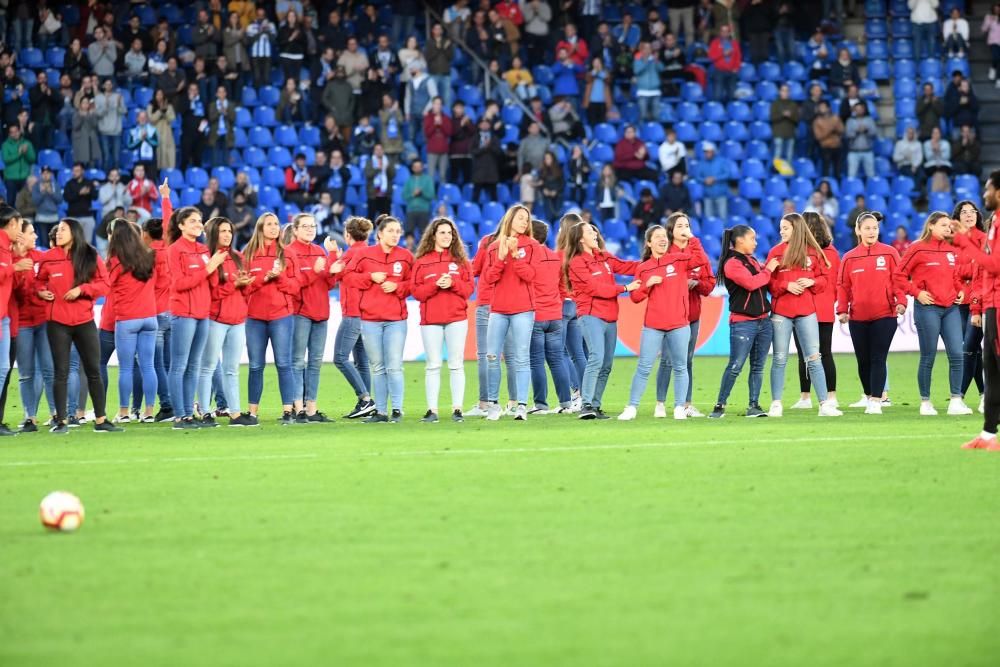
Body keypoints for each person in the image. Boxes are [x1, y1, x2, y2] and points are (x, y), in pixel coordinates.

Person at [35, 217, 122, 434]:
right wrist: (40, 291)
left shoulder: (90, 254)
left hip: (84, 321)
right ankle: (61, 421)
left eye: (63, 229)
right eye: (58, 230)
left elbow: (105, 285)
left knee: (93, 370)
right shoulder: (48, 257)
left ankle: (101, 420)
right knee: (61, 372)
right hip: (57, 323)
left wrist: (82, 289)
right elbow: (38, 281)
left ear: (74, 232)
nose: (58, 233)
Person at [894, 211, 972, 416]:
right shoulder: (916, 248)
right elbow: (898, 276)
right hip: (927, 308)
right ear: (931, 226)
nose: (948, 229)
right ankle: (925, 402)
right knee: (928, 356)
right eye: (944, 225)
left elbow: (955, 277)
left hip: (951, 309)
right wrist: (917, 293)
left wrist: (961, 291)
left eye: (949, 226)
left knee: (957, 354)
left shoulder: (951, 249)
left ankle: (956, 400)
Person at [765, 213, 842, 418]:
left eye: (785, 228)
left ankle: (824, 404)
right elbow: (768, 283)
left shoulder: (815, 252)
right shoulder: (775, 252)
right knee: (779, 359)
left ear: (797, 229)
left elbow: (826, 280)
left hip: (807, 312)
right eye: (780, 228)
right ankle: (776, 403)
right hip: (782, 312)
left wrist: (812, 282)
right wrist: (785, 285)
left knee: (814, 358)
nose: (781, 231)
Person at [618, 221, 695, 421]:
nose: (663, 239)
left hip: (679, 324)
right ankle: (632, 407)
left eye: (664, 236)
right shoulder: (644, 268)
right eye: (658, 236)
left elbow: (701, 261)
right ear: (649, 243)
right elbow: (635, 298)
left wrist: (691, 237)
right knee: (644, 367)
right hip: (653, 326)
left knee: (680, 366)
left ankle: (679, 407)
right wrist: (647, 286)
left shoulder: (678, 260)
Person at [564, 221, 640, 419]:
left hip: (610, 317)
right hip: (591, 315)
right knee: (596, 357)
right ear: (580, 238)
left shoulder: (604, 257)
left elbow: (626, 266)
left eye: (594, 230)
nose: (595, 233)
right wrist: (624, 288)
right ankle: (586, 404)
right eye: (590, 231)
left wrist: (653, 263)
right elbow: (594, 288)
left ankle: (596, 405)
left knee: (606, 364)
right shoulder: (577, 262)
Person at [343, 216, 413, 423]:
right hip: (370, 319)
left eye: (398, 231)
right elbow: (347, 277)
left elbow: (414, 283)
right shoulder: (364, 255)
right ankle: (381, 412)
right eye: (391, 231)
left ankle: (397, 410)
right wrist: (369, 278)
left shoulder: (406, 257)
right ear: (379, 234)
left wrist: (398, 287)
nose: (395, 235)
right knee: (378, 367)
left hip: (396, 320)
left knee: (394, 366)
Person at [836, 212, 905, 414]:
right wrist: (842, 310)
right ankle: (868, 396)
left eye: (874, 228)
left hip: (885, 315)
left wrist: (901, 302)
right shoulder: (849, 257)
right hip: (857, 317)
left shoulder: (890, 252)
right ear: (858, 231)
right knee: (863, 361)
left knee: (877, 358)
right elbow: (843, 286)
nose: (872, 231)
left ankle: (876, 400)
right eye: (867, 228)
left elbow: (898, 280)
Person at [708, 225, 778, 418]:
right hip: (743, 323)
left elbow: (764, 281)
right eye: (752, 239)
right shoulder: (732, 263)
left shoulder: (751, 260)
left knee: (757, 366)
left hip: (763, 321)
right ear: (740, 241)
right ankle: (719, 406)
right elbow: (751, 283)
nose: (755, 243)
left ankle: (753, 405)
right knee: (736, 365)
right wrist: (769, 270)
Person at [952, 171, 1000, 448]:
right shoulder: (995, 224)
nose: (984, 195)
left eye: (988, 190)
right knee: (990, 367)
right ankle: (988, 435)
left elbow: (993, 266)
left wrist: (963, 243)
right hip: (991, 301)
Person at [481, 205, 540, 421]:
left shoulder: (532, 246)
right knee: (492, 356)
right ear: (510, 219)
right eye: (521, 218)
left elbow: (531, 275)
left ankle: (522, 406)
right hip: (498, 310)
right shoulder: (493, 247)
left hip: (523, 309)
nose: (525, 222)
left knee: (521, 357)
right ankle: (494, 405)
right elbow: (489, 278)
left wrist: (515, 256)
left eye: (527, 219)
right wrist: (501, 257)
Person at [411, 217, 473, 422]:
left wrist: (453, 282)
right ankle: (432, 410)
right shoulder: (421, 262)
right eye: (442, 233)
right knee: (433, 365)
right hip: (431, 320)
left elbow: (468, 290)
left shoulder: (461, 262)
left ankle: (457, 409)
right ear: (433, 236)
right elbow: (417, 292)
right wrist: (436, 285)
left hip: (456, 318)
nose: (447, 236)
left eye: (450, 233)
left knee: (456, 364)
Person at [654, 215, 715, 418]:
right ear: (671, 231)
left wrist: (697, 284)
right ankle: (660, 404)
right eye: (679, 225)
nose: (684, 229)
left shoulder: (698, 252)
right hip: (670, 315)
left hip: (692, 315)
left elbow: (710, 284)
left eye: (687, 225)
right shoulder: (664, 253)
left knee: (687, 360)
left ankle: (686, 404)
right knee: (668, 360)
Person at [242, 213, 300, 424]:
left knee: (284, 364)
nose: (274, 228)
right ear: (260, 228)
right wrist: (264, 279)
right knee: (255, 365)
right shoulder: (248, 254)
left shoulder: (288, 254)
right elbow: (243, 288)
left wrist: (280, 277)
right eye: (269, 224)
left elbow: (295, 287)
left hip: (281, 316)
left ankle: (288, 411)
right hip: (255, 317)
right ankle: (252, 413)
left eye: (276, 224)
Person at [284, 213, 338, 423]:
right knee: (297, 361)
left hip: (321, 312)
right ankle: (298, 408)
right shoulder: (289, 253)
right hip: (300, 313)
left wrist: (333, 263)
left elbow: (329, 284)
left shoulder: (319, 251)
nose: (310, 229)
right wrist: (314, 272)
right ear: (295, 230)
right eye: (305, 226)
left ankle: (312, 409)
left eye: (312, 226)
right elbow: (291, 287)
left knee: (315, 362)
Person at [105, 219, 159, 423]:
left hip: (127, 319)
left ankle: (124, 412)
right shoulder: (147, 257)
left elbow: (105, 285)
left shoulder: (115, 261)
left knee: (126, 367)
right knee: (148, 366)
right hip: (150, 318)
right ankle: (149, 412)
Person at [790, 213, 840, 410]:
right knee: (821, 353)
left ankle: (809, 396)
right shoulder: (832, 253)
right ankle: (826, 396)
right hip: (821, 307)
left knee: (811, 353)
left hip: (807, 307)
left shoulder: (811, 253)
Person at [13, 220, 55, 431]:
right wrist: (19, 262)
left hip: (44, 320)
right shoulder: (12, 260)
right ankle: (30, 417)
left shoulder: (42, 257)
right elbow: (17, 292)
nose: (36, 237)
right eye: (31, 233)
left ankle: (57, 414)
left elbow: (51, 280)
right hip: (22, 323)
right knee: (26, 373)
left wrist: (43, 291)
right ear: (20, 236)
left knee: (50, 369)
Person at [526, 219, 572, 414]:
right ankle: (566, 403)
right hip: (555, 315)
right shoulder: (556, 258)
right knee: (557, 360)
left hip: (536, 315)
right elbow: (562, 288)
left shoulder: (529, 259)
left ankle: (541, 405)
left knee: (536, 361)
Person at [332, 217, 375, 419]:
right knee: (361, 362)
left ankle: (365, 398)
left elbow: (335, 275)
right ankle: (366, 406)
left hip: (353, 313)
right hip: (366, 313)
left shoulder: (352, 254)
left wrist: (333, 255)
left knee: (340, 358)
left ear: (347, 235)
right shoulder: (369, 252)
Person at [953, 201, 986, 411]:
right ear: (957, 217)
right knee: (973, 350)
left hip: (980, 301)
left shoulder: (984, 240)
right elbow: (951, 270)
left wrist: (965, 271)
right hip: (958, 301)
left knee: (968, 348)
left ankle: (959, 395)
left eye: (972, 211)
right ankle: (985, 395)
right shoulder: (952, 241)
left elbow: (980, 270)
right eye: (964, 212)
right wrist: (965, 272)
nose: (968, 215)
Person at [694, 142, 729, 220]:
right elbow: (697, 177)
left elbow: (727, 174)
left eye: (709, 152)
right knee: (709, 219)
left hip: (721, 194)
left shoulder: (721, 161)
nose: (707, 154)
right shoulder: (701, 163)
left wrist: (715, 178)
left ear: (713, 152)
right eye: (705, 152)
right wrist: (705, 180)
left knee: (723, 218)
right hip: (708, 195)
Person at [707, 23, 741, 103]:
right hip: (719, 71)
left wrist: (736, 68)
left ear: (729, 33)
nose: (724, 33)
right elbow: (711, 57)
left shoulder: (735, 43)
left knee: (733, 96)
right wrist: (723, 54)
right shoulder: (715, 43)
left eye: (726, 31)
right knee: (717, 96)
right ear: (720, 32)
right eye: (722, 31)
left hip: (732, 72)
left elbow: (738, 57)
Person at [845, 102, 877, 180]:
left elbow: (874, 134)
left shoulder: (869, 120)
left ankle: (871, 191)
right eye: (857, 109)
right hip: (853, 151)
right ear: (854, 110)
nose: (859, 111)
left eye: (861, 109)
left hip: (867, 151)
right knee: (851, 175)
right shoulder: (850, 121)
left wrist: (866, 130)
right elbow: (847, 135)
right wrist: (856, 131)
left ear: (864, 110)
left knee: (871, 174)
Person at [770, 84, 800, 164]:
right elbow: (772, 118)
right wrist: (782, 115)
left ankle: (787, 173)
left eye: (787, 91)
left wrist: (790, 116)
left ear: (789, 92)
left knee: (789, 155)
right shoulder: (775, 104)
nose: (785, 92)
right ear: (780, 92)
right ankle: (777, 171)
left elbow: (797, 119)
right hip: (778, 133)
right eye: (783, 90)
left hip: (790, 133)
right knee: (778, 153)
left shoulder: (793, 105)